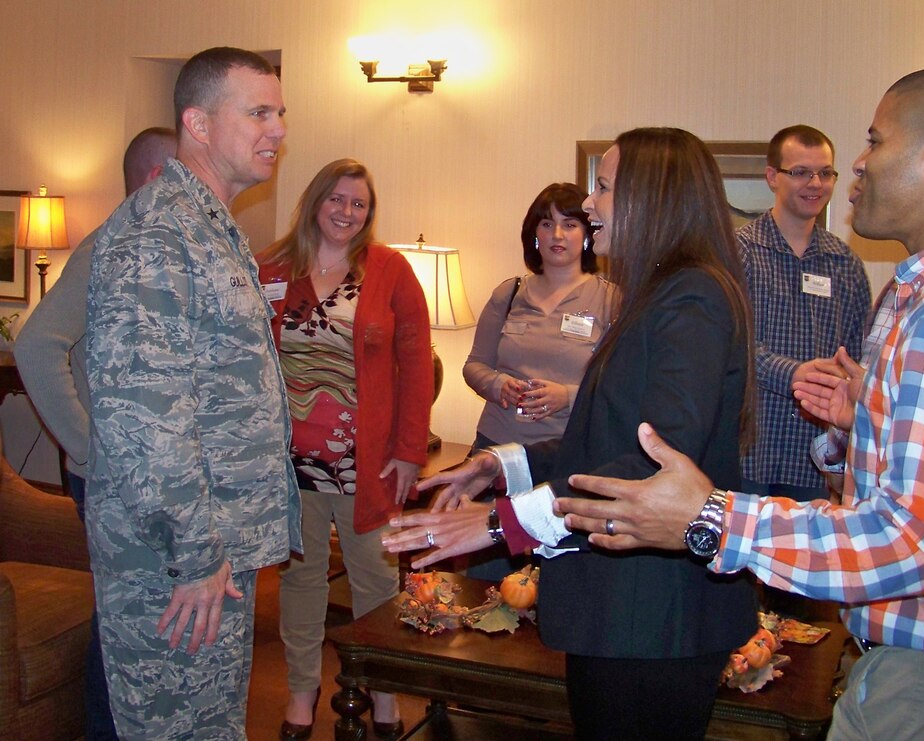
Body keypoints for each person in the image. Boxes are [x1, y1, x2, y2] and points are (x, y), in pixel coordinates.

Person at [555, 66, 924, 740]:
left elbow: (921, 543)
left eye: (876, 140)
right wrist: (866, 426)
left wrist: (712, 517)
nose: (858, 164)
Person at [385, 127, 760, 741]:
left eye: (603, 188)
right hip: (628, 608)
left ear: (651, 197)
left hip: (654, 613)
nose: (588, 205)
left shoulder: (692, 297)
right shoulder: (661, 293)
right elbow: (611, 436)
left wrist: (501, 523)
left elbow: (656, 464)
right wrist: (503, 464)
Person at [85, 47, 301, 738]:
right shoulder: (157, 232)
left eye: (280, 113)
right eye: (258, 113)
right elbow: (146, 418)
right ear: (199, 124)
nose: (278, 129)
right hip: (173, 563)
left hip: (210, 551)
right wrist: (196, 554)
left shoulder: (206, 224)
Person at [257, 158, 433, 741]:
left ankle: (383, 694)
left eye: (359, 204)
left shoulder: (389, 270)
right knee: (301, 580)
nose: (347, 212)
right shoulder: (271, 267)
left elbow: (417, 365)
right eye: (337, 199)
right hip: (289, 462)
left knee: (376, 582)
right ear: (315, 201)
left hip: (367, 460)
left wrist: (409, 450)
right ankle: (301, 692)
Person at [14, 125, 175, 741]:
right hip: (110, 483)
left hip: (149, 480)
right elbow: (36, 345)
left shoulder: (159, 249)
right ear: (157, 179)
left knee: (144, 628)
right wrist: (88, 450)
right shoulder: (108, 247)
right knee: (122, 631)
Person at [461, 182, 613, 577]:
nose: (557, 235)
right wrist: (497, 385)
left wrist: (569, 396)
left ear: (587, 234)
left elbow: (618, 390)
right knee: (488, 579)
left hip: (565, 458)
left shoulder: (611, 300)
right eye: (547, 224)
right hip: (496, 451)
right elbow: (474, 366)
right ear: (534, 234)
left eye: (570, 224)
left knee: (560, 579)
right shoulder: (509, 293)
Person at [739, 125, 871, 502]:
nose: (815, 183)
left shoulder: (846, 264)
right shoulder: (738, 252)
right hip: (748, 453)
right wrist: (795, 374)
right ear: (772, 177)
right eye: (800, 172)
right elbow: (727, 347)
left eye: (825, 173)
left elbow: (858, 358)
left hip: (814, 459)